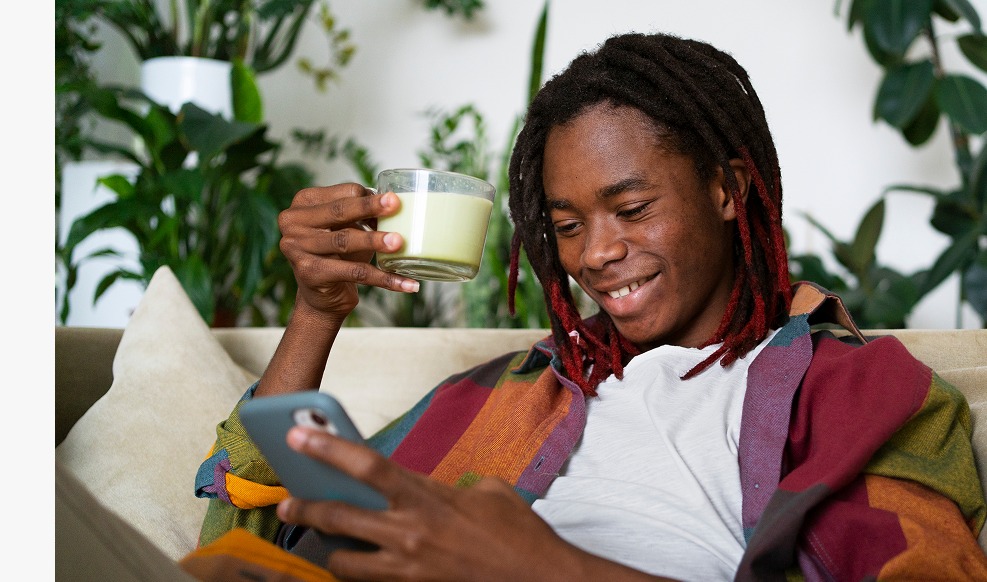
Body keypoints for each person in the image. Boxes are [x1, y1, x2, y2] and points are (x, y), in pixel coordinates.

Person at [194, 32, 987, 580]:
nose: (594, 255)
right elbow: (258, 527)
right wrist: (315, 310)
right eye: (566, 226)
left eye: (632, 209)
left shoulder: (864, 392)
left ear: (727, 189)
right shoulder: (512, 389)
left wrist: (546, 570)